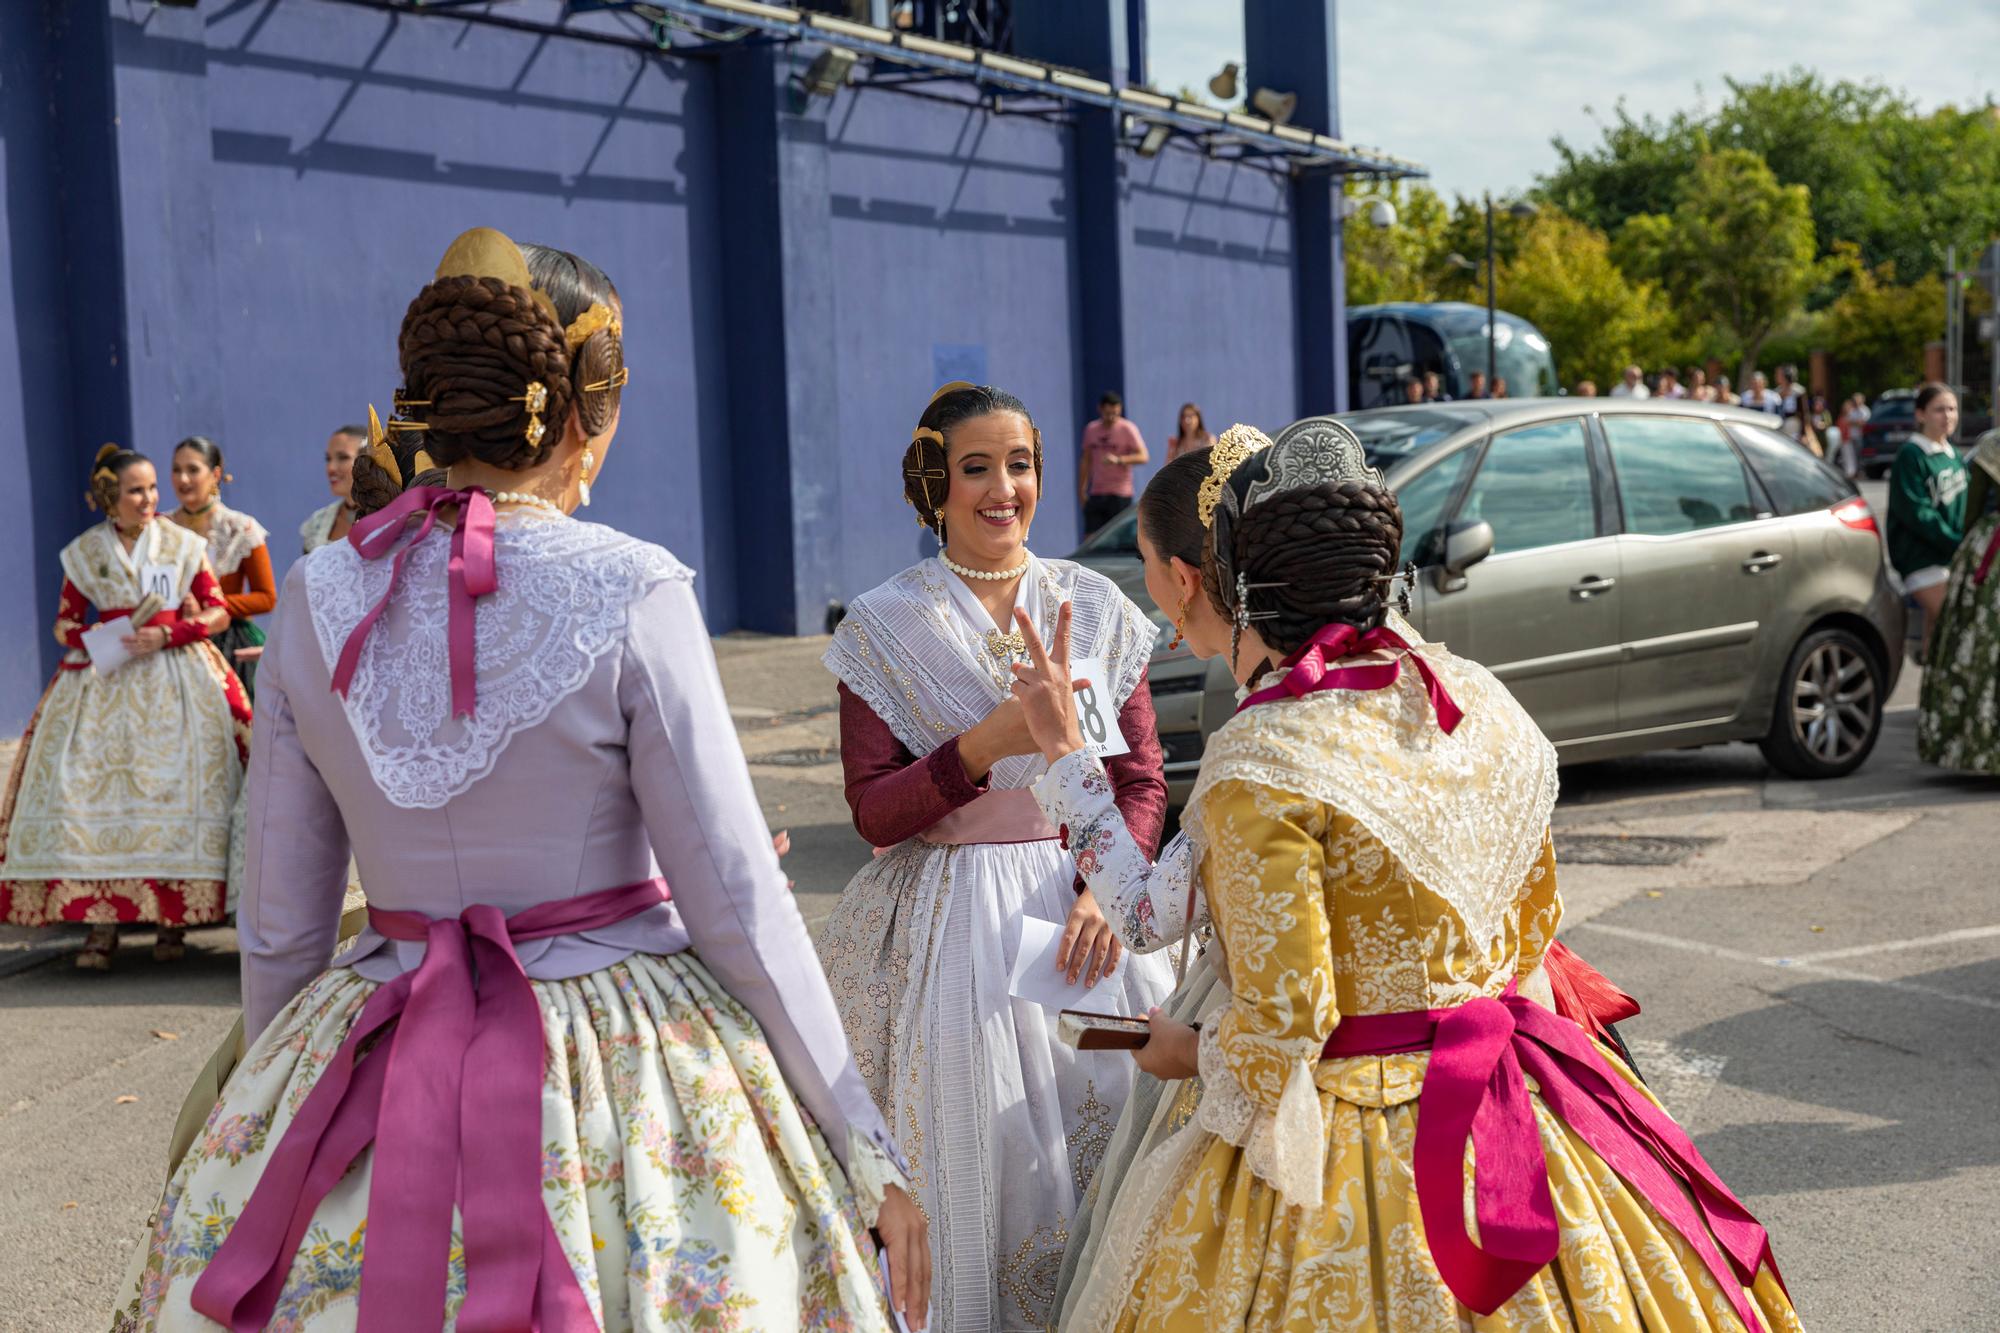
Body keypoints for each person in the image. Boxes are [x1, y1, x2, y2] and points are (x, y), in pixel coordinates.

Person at [110, 229, 929, 1332]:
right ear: (581, 413)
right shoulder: (629, 586)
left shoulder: (317, 595)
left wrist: (274, 1116)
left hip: (378, 1042)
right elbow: (736, 899)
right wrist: (858, 1140)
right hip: (614, 1066)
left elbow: (278, 920)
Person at [1007, 418, 1798, 1332]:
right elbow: (1534, 928)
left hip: (1344, 1148)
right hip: (1523, 1102)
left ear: (1222, 578)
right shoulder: (1480, 702)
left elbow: (1282, 1032)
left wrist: (1181, 1050)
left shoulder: (1262, 758)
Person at [816, 381, 1175, 1330]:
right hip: (954, 932)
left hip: (1086, 918)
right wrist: (984, 743)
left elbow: (1140, 778)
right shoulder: (886, 624)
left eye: (1020, 464)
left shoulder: (1091, 607)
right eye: (976, 467)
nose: (1002, 488)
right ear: (934, 483)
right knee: (989, 1167)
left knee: (1110, 1148)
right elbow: (873, 811)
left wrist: (1109, 885)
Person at [0, 446, 249, 970]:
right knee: (86, 794)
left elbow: (218, 612)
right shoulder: (85, 552)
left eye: (153, 488)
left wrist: (168, 633)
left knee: (176, 788)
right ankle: (101, 924)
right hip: (104, 680)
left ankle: (172, 921)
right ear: (111, 497)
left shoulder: (182, 544)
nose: (150, 498)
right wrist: (103, 635)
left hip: (176, 677)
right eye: (138, 490)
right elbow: (64, 624)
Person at [166, 436, 274, 698]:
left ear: (215, 474)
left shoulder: (240, 528)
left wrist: (212, 607)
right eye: (177, 470)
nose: (183, 479)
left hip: (228, 642)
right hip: (170, 639)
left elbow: (267, 598)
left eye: (193, 470)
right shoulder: (161, 528)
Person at [1918, 429, 2000, 773]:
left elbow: (1972, 507)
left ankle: (1982, 748)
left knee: (1981, 646)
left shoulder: (1993, 446)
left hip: (1991, 554)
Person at [1889, 382, 1970, 661]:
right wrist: (1956, 542)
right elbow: (1916, 513)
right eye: (1939, 410)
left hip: (1951, 555)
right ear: (1920, 414)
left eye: (1952, 409)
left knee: (1937, 636)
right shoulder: (1911, 455)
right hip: (1921, 558)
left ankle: (1934, 698)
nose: (1947, 416)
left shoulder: (1952, 453)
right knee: (1956, 624)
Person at [1079, 390, 1149, 535]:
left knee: (1119, 538)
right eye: (1108, 413)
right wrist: (1082, 489)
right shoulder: (1091, 429)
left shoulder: (1128, 429)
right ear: (1100, 409)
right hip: (1097, 492)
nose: (1111, 417)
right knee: (1091, 537)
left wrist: (1119, 460)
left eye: (1115, 413)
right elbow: (1086, 460)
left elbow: (1143, 456)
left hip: (1120, 494)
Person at [299, 424, 364, 553]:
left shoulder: (389, 518)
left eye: (343, 458)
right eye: (328, 459)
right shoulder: (318, 523)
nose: (331, 468)